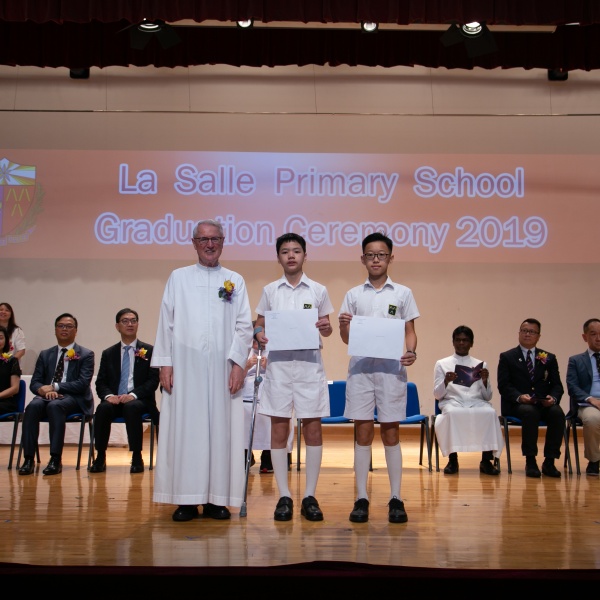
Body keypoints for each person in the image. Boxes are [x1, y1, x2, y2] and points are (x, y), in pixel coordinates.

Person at [152, 219, 253, 522]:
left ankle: (216, 500)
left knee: (222, 432)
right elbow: (166, 322)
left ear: (223, 242)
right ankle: (186, 499)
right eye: (204, 239)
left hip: (224, 371)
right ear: (194, 243)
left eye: (215, 239)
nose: (210, 244)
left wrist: (238, 364)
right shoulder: (178, 278)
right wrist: (165, 363)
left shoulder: (234, 280)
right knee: (187, 431)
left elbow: (244, 326)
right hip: (185, 370)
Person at [339, 231, 419, 524]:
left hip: (391, 371)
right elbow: (347, 339)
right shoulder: (353, 295)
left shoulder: (403, 293)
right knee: (362, 433)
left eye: (381, 255)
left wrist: (411, 351)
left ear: (390, 258)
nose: (376, 260)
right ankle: (361, 497)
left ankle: (396, 498)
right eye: (371, 255)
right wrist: (343, 326)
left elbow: (410, 330)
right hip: (361, 371)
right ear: (363, 259)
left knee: (391, 433)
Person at [254, 232, 334, 522]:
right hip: (279, 368)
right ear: (278, 257)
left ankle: (310, 496)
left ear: (304, 256)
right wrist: (258, 334)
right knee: (279, 430)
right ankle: (284, 496)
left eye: (296, 251)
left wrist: (325, 328)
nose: (291, 255)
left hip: (309, 367)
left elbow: (327, 328)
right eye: (285, 251)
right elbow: (258, 325)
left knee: (313, 429)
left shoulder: (318, 290)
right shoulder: (270, 291)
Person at [18, 313, 95, 476]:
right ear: (55, 330)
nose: (64, 329)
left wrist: (55, 387)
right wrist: (42, 389)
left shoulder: (86, 354)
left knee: (55, 406)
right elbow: (35, 382)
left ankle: (55, 458)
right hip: (46, 397)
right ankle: (28, 459)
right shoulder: (46, 354)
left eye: (69, 326)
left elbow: (82, 383)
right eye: (61, 326)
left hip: (74, 398)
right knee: (32, 407)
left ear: (76, 331)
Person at [89, 308, 160, 474]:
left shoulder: (149, 350)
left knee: (131, 407)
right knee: (103, 408)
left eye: (133, 321)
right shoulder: (109, 353)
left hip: (140, 400)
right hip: (115, 400)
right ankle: (100, 456)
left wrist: (133, 395)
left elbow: (153, 381)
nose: (130, 324)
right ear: (117, 326)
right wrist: (109, 396)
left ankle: (136, 456)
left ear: (138, 325)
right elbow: (101, 382)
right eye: (125, 321)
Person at [497, 318, 565, 478]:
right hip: (517, 405)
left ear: (538, 336)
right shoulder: (507, 357)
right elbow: (504, 386)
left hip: (542, 403)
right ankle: (531, 460)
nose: (527, 334)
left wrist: (553, 398)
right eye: (524, 331)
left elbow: (557, 385)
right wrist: (519, 397)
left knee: (557, 413)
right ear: (519, 333)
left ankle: (550, 461)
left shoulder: (548, 357)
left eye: (532, 332)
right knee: (530, 412)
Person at [433, 325, 504, 476]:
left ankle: (486, 461)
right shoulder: (442, 364)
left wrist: (484, 380)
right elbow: (437, 395)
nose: (461, 343)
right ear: (453, 342)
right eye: (458, 340)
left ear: (471, 343)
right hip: (453, 402)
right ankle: (453, 460)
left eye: (465, 340)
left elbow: (488, 396)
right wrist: (446, 381)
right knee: (451, 414)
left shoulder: (481, 365)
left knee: (490, 413)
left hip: (476, 402)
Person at [243, 335, 294, 474]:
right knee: (241, 415)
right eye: (254, 341)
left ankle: (268, 455)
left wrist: (269, 366)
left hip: (271, 394)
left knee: (274, 416)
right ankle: (245, 452)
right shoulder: (243, 352)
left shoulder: (276, 352)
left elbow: (286, 375)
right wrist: (247, 366)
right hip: (246, 397)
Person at [566, 318, 600, 476]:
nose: (598, 338)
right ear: (585, 337)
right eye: (593, 334)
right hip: (587, 404)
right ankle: (594, 460)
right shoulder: (576, 360)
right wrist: (591, 399)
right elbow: (572, 386)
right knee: (592, 419)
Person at [0, 324, 22, 415]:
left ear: (6, 341)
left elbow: (15, 388)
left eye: (1, 338)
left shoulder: (12, 361)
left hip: (4, 401)